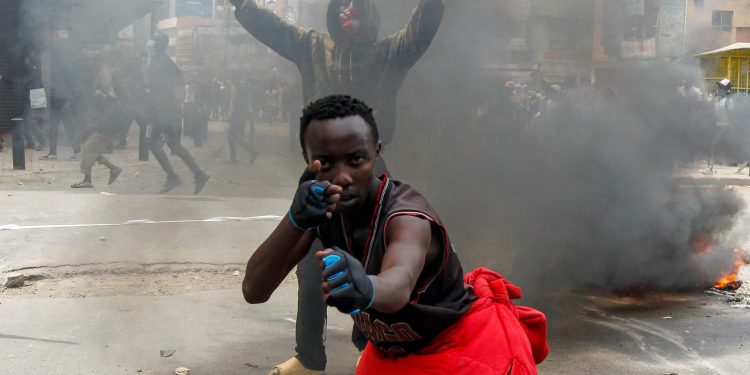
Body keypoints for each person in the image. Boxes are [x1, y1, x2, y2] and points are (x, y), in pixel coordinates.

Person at [241, 95, 548, 374]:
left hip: (460, 349)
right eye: (327, 163)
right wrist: (295, 220)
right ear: (308, 161)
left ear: (376, 152)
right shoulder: (323, 209)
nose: (343, 177)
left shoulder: (406, 214)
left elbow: (398, 284)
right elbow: (254, 290)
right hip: (391, 352)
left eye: (355, 160)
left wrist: (366, 288)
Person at [230, 1, 444, 372]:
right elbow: (273, 29)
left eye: (358, 15)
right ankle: (309, 355)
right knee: (311, 268)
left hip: (370, 174)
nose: (351, 22)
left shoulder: (389, 51)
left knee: (374, 259)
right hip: (320, 172)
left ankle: (372, 344)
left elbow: (420, 30)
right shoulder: (311, 46)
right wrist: (242, 4)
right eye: (344, 14)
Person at [144, 33, 210, 195]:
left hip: (160, 110)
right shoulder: (164, 61)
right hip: (168, 109)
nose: (150, 46)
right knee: (174, 144)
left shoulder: (160, 62)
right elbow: (179, 82)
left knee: (150, 141)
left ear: (158, 45)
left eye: (153, 43)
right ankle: (198, 173)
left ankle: (172, 176)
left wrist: (168, 104)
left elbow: (174, 85)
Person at [227, 78, 258, 163]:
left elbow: (235, 110)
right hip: (240, 120)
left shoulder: (238, 99)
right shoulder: (242, 99)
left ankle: (234, 157)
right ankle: (252, 152)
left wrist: (231, 119)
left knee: (232, 138)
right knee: (236, 138)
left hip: (237, 120)